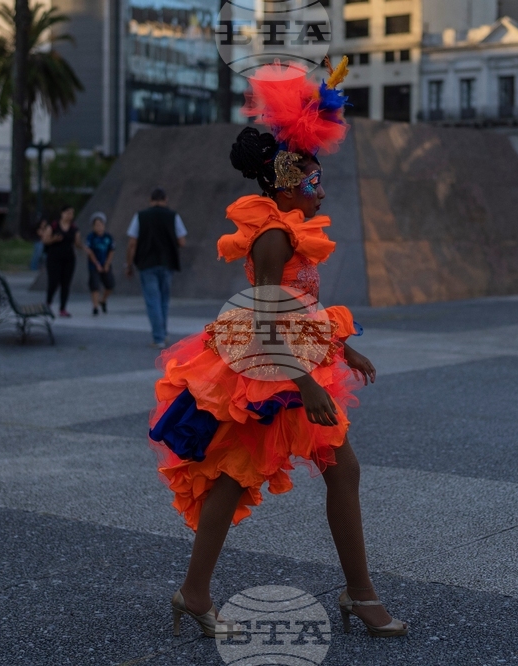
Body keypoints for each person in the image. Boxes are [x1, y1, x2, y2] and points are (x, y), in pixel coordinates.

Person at [147, 58, 408, 640]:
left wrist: (342, 353)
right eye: (314, 182)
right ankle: (197, 592)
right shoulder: (271, 236)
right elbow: (266, 319)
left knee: (339, 472)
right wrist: (308, 383)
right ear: (288, 183)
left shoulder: (292, 235)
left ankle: (358, 593)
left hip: (296, 368)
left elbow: (304, 313)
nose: (321, 191)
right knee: (235, 475)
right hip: (268, 376)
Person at [125, 188, 187, 348]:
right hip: (167, 263)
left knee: (153, 301)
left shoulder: (140, 216)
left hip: (147, 263)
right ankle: (163, 334)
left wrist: (129, 264)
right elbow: (182, 242)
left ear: (150, 200)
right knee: (164, 300)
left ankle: (158, 338)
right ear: (165, 199)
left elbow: (132, 243)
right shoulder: (173, 216)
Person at [41, 205, 82, 317]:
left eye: (72, 213)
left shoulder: (74, 228)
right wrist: (53, 239)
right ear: (62, 213)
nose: (70, 215)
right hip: (54, 258)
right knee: (53, 282)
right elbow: (45, 240)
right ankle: (48, 303)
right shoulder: (54, 226)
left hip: (69, 259)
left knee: (66, 283)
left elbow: (77, 243)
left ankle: (63, 308)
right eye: (67, 213)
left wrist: (82, 245)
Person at [85, 212, 116, 315]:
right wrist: (97, 264)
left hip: (105, 263)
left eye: (100, 224)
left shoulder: (108, 237)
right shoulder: (91, 237)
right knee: (95, 285)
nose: (98, 227)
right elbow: (90, 252)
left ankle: (103, 300)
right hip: (94, 265)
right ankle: (95, 307)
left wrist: (107, 264)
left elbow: (111, 251)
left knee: (110, 284)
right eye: (96, 225)